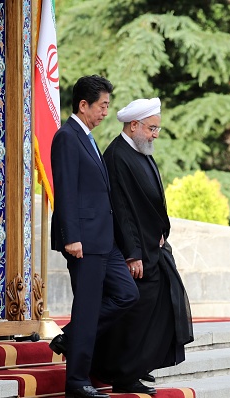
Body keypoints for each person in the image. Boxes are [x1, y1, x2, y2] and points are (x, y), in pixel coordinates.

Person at [91, 98, 194, 393]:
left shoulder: (140, 151)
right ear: (133, 125)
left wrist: (161, 233)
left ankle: (139, 365)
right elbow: (121, 211)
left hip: (154, 249)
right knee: (137, 313)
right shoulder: (117, 156)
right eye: (151, 128)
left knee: (163, 305)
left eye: (157, 129)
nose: (154, 135)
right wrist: (132, 254)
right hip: (136, 254)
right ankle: (123, 373)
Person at [48, 75, 139, 398]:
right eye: (102, 106)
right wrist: (71, 236)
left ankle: (69, 338)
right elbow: (66, 190)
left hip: (105, 240)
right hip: (83, 242)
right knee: (86, 310)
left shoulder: (86, 136)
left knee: (127, 294)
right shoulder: (67, 137)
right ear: (83, 104)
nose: (105, 112)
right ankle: (76, 382)